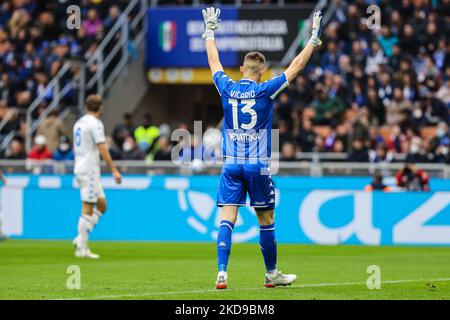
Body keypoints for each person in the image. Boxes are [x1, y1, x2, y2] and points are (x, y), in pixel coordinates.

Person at [202, 7, 322, 289]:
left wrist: (209, 31)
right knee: (266, 219)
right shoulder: (266, 89)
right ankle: (271, 274)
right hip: (257, 164)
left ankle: (222, 272)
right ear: (262, 72)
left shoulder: (227, 87)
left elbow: (213, 61)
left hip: (231, 163)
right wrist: (313, 39)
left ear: (242, 69)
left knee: (226, 218)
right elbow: (296, 67)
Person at [72, 95, 122, 259]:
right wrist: (113, 169)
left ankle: (81, 239)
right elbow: (102, 148)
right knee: (87, 207)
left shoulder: (79, 123)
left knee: (102, 205)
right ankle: (81, 247)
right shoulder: (95, 124)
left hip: (81, 166)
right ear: (100, 107)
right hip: (89, 169)